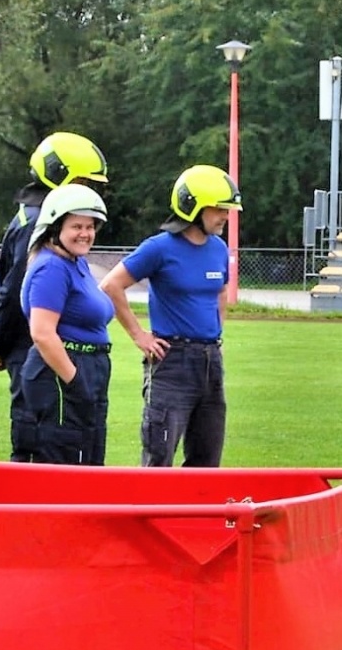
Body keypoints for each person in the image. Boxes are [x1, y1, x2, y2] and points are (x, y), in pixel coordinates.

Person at [0, 132, 110, 461]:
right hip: (39, 351)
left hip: (44, 348)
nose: (87, 190)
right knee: (39, 448)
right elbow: (13, 293)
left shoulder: (36, 218)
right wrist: (0, 344)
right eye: (82, 181)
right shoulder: (43, 223)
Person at [101, 165, 239, 467]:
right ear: (193, 207)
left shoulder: (218, 249)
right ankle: (152, 501)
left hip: (211, 362)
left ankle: (198, 502)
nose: (225, 216)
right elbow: (111, 285)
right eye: (219, 209)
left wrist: (216, 335)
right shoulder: (159, 248)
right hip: (172, 361)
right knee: (159, 455)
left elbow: (220, 292)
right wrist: (139, 336)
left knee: (207, 458)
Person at [15, 183, 113, 465]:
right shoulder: (52, 267)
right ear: (56, 227)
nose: (85, 233)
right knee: (65, 459)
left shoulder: (76, 262)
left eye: (90, 226)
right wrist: (75, 380)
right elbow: (42, 333)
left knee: (89, 457)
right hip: (61, 372)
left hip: (89, 366)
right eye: (76, 226)